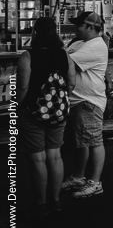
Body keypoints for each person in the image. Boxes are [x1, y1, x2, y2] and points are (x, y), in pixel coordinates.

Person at [18, 17, 76, 215]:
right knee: (55, 155)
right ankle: (56, 200)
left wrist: (18, 106)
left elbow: (23, 88)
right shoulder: (64, 55)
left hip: (31, 113)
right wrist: (59, 101)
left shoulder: (28, 56)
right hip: (58, 111)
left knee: (37, 159)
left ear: (35, 33)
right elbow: (71, 83)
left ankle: (41, 204)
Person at [61, 12, 109, 199]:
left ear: (90, 27)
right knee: (82, 143)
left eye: (79, 25)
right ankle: (79, 177)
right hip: (78, 101)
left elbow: (66, 62)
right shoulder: (82, 43)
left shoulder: (95, 46)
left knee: (94, 141)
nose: (75, 29)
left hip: (88, 102)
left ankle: (95, 183)